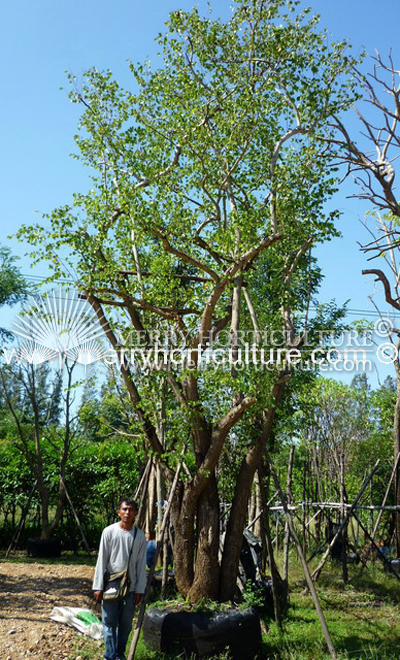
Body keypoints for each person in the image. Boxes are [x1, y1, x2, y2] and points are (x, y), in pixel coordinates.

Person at [93, 498, 147, 660]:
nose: (127, 513)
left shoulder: (139, 536)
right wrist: (98, 586)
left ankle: (120, 654)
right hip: (110, 585)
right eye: (124, 509)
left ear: (136, 513)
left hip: (130, 589)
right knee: (108, 624)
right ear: (118, 512)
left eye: (131, 510)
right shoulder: (109, 532)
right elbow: (101, 560)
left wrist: (139, 590)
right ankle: (109, 656)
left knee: (125, 626)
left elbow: (141, 564)